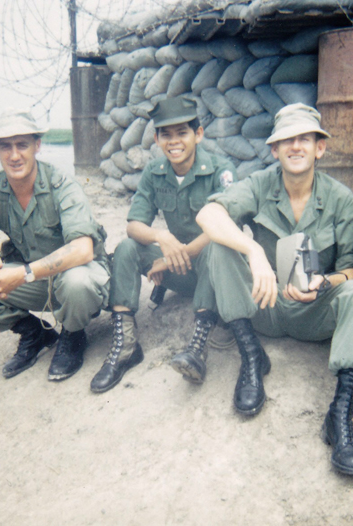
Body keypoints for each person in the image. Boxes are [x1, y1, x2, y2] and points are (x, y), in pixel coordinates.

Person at [196, 103, 353, 476]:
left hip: (314, 310)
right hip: (264, 304)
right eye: (286, 140)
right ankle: (252, 359)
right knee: (220, 246)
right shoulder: (260, 184)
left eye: (305, 139)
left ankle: (340, 416)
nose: (296, 147)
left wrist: (325, 281)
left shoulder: (341, 198)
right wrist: (253, 252)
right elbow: (208, 215)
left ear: (319, 148)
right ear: (274, 149)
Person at [0, 108, 110, 382]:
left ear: (37, 146)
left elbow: (83, 249)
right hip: (35, 281)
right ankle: (34, 332)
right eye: (5, 146)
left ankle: (73, 334)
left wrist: (21, 274)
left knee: (77, 281)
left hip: (79, 278)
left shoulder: (62, 185)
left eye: (22, 145)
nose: (14, 155)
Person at [90, 96, 236, 394]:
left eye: (182, 133)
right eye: (165, 135)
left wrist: (170, 258)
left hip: (217, 273)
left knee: (215, 246)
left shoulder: (221, 170)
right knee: (127, 248)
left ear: (198, 134)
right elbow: (134, 225)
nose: (174, 142)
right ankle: (126, 347)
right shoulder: (155, 171)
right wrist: (162, 238)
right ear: (156, 138)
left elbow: (224, 228)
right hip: (184, 271)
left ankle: (197, 348)